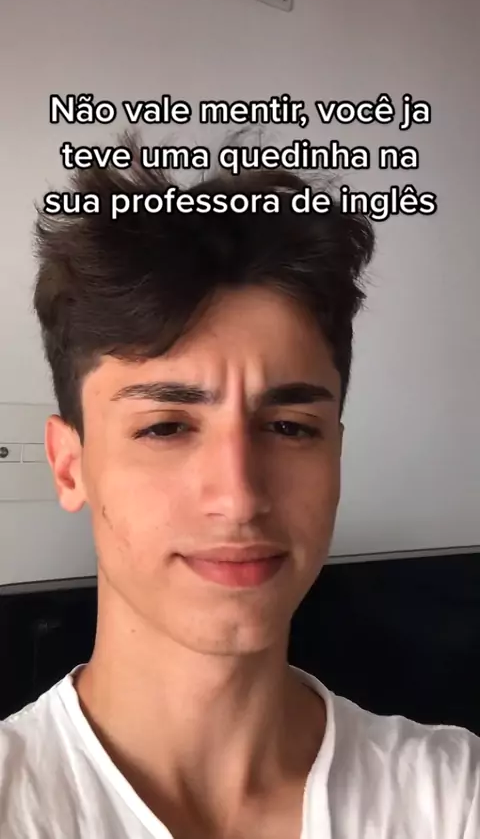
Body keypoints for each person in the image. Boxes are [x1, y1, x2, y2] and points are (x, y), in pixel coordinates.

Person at [1, 133, 478, 839]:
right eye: (166, 427)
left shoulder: (453, 798)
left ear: (337, 454)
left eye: (289, 427)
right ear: (69, 465)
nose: (240, 497)